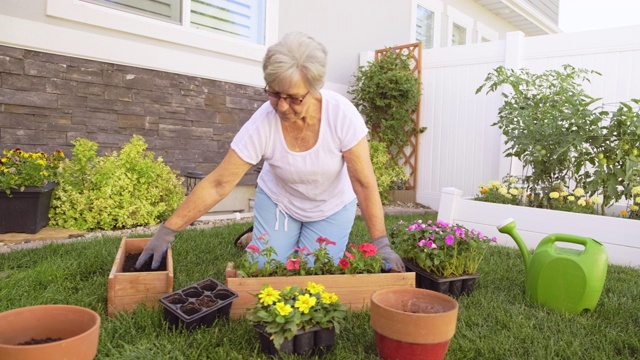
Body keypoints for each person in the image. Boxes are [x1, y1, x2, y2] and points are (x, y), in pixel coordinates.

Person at [136, 32, 405, 272]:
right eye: (275, 94)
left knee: (315, 271)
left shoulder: (342, 115)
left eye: (294, 98)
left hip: (330, 206)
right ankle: (267, 235)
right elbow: (219, 184)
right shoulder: (262, 123)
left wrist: (381, 243)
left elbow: (363, 182)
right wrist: (167, 232)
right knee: (265, 268)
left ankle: (272, 236)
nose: (283, 107)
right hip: (281, 202)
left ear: (314, 89)